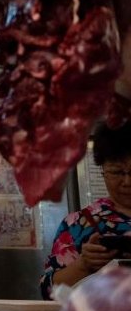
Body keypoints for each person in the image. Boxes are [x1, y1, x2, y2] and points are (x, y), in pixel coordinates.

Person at [40, 121, 131, 299]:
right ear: (103, 170)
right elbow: (48, 292)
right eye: (117, 172)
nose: (127, 182)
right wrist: (83, 265)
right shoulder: (79, 223)